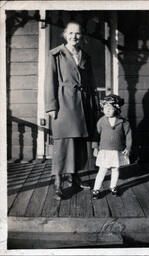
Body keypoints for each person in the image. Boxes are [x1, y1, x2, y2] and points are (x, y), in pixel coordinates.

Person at [44, 21, 98, 199]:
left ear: (81, 36)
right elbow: (49, 82)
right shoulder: (55, 55)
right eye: (71, 33)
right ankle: (58, 182)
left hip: (83, 103)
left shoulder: (86, 56)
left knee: (79, 142)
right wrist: (51, 106)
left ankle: (74, 177)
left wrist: (94, 104)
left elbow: (91, 83)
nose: (74, 36)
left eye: (78, 33)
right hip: (64, 103)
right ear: (65, 35)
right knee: (63, 142)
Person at [92, 94, 132, 199]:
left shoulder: (123, 122)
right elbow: (96, 135)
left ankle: (113, 187)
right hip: (105, 150)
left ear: (117, 108)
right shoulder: (101, 121)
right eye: (105, 108)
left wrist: (128, 148)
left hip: (117, 150)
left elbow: (128, 135)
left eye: (110, 108)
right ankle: (96, 189)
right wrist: (95, 147)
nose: (107, 110)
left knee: (115, 169)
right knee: (102, 170)